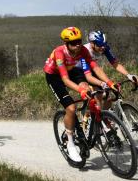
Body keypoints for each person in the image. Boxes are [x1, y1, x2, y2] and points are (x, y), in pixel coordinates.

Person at [44, 27, 116, 163]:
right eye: (73, 43)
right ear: (66, 43)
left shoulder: (83, 50)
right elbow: (65, 80)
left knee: (88, 89)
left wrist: (107, 82)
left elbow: (94, 68)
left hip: (71, 70)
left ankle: (86, 121)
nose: (77, 45)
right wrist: (80, 90)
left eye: (79, 41)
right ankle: (70, 143)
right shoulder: (60, 52)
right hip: (54, 75)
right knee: (70, 108)